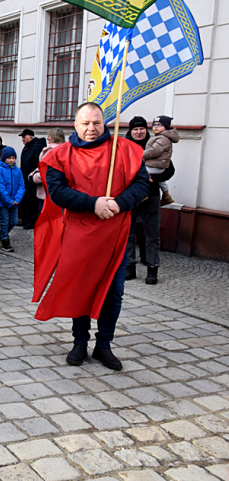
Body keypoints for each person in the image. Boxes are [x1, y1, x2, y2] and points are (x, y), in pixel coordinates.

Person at [33, 102, 149, 371]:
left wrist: (119, 203)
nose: (91, 128)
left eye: (96, 123)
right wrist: (93, 203)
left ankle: (104, 345)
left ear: (105, 123)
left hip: (116, 234)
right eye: (85, 123)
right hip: (80, 233)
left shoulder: (127, 150)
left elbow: (141, 183)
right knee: (81, 288)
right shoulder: (60, 155)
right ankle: (79, 341)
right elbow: (58, 191)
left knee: (113, 293)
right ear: (76, 125)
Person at [124, 116, 172, 284]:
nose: (139, 132)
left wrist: (154, 175)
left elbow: (169, 169)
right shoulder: (123, 146)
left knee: (152, 234)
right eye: (135, 129)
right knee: (128, 234)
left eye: (142, 129)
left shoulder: (155, 143)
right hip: (130, 196)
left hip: (151, 195)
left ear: (146, 130)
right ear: (130, 131)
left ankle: (152, 269)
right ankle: (130, 267)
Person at [0, 147, 25, 252]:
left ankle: (2, 234)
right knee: (5, 220)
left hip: (14, 202)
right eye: (9, 158)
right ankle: (5, 240)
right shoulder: (0, 170)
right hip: (2, 202)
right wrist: (9, 201)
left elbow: (21, 186)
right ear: (4, 158)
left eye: (13, 158)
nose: (11, 160)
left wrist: (17, 200)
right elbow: (1, 188)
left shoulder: (18, 171)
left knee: (13, 221)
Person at [30, 128, 65, 213]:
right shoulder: (65, 149)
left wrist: (33, 177)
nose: (47, 138)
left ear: (54, 137)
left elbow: (46, 172)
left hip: (47, 192)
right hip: (61, 192)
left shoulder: (50, 151)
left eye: (49, 136)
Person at [145, 115, 178, 206]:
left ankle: (143, 194)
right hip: (158, 165)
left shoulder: (163, 139)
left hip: (155, 165)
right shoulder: (161, 137)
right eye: (154, 124)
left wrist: (141, 155)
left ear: (166, 127)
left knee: (140, 174)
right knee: (161, 182)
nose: (155, 127)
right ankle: (166, 196)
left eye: (159, 125)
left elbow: (154, 151)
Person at [19, 128, 47, 228]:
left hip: (32, 179)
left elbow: (38, 163)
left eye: (24, 137)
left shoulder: (37, 147)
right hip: (24, 178)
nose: (22, 139)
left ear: (30, 136)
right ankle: (24, 219)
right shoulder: (26, 147)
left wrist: (33, 176)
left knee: (32, 201)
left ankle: (32, 221)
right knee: (25, 200)